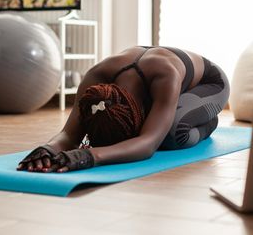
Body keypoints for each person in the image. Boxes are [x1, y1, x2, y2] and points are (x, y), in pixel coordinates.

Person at [17, 46, 229, 173]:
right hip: (162, 83)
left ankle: (209, 122)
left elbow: (148, 144)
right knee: (157, 129)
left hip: (209, 84)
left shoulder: (165, 75)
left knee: (172, 135)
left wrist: (89, 156)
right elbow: (69, 135)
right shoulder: (95, 79)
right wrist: (48, 149)